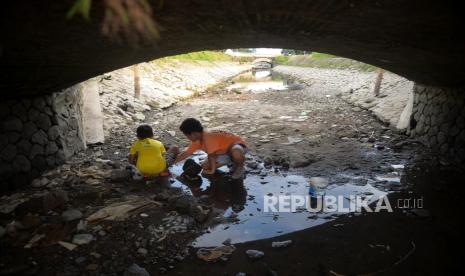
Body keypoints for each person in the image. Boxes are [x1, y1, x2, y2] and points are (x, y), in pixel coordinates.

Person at [175, 118, 247, 179]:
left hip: (236, 146)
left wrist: (212, 170)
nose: (188, 138)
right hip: (222, 152)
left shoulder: (208, 136)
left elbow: (211, 155)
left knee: (236, 152)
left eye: (187, 136)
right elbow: (186, 153)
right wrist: (170, 163)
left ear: (194, 133)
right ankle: (231, 161)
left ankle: (240, 167)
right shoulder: (197, 140)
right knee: (205, 167)